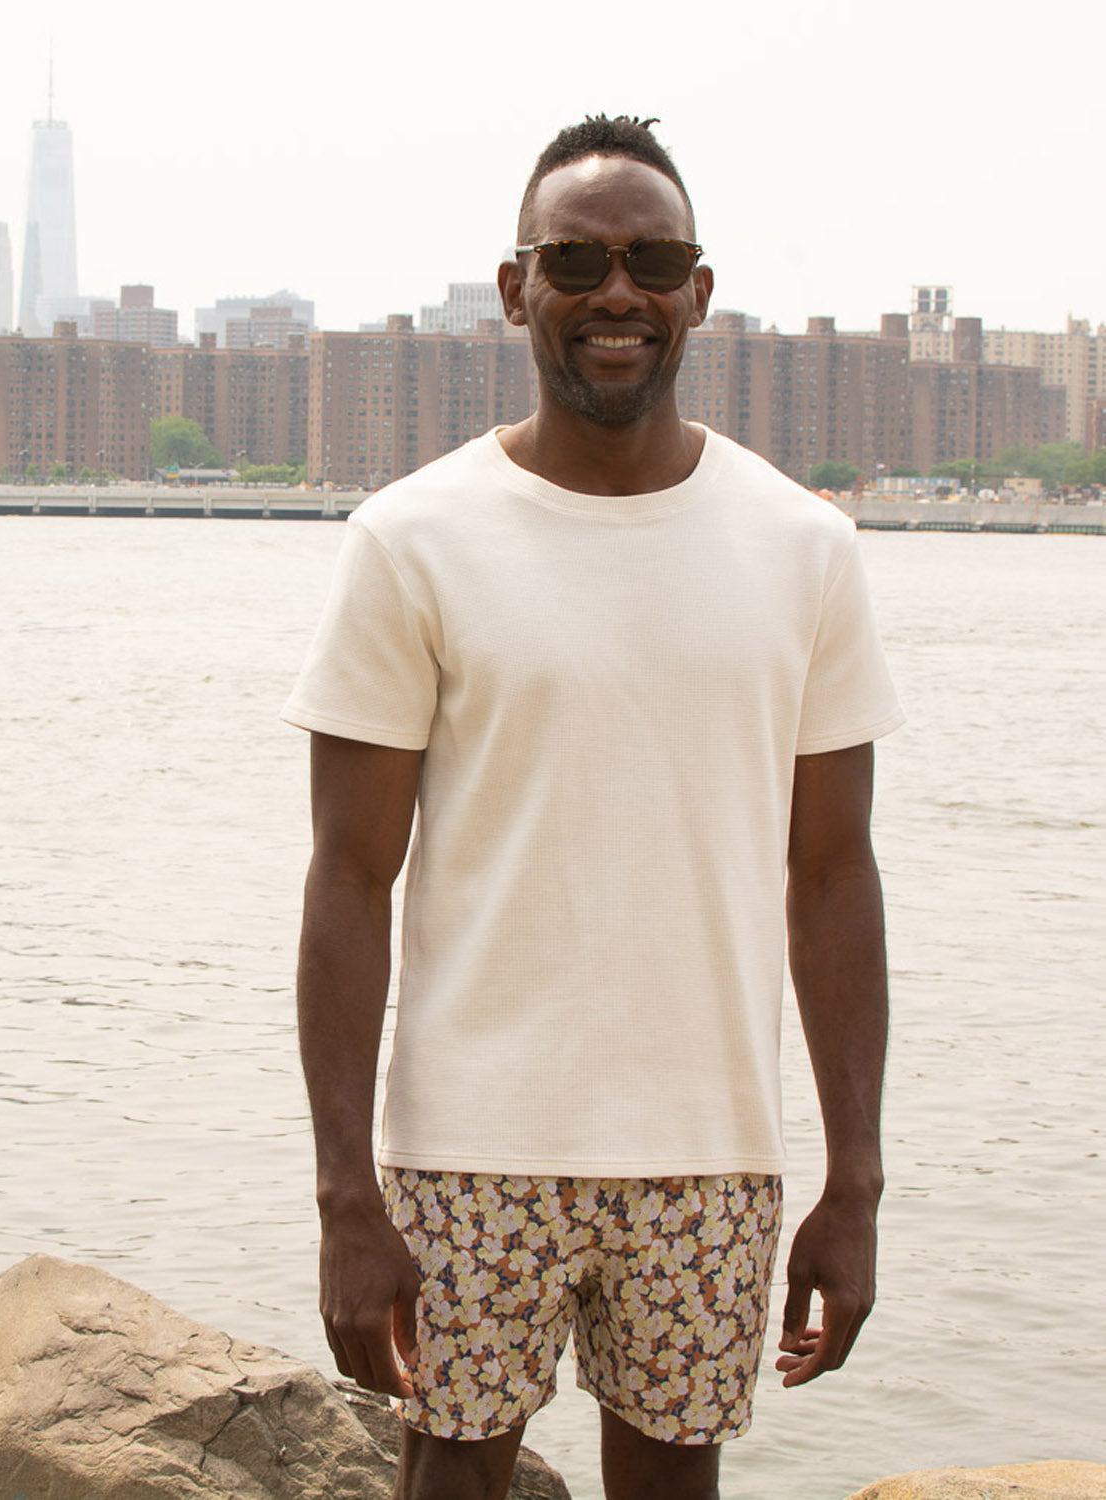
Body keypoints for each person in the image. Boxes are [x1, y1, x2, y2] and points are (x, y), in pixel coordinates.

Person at [283, 114, 903, 1500]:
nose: (614, 292)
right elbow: (346, 878)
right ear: (517, 290)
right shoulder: (410, 539)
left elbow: (831, 876)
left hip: (709, 1150)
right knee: (449, 1475)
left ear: (698, 289)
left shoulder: (804, 547)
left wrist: (851, 1180)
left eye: (652, 259)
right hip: (466, 1148)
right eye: (574, 258)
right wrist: (346, 1198)